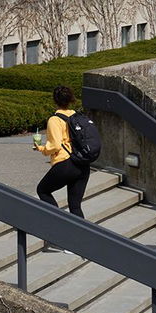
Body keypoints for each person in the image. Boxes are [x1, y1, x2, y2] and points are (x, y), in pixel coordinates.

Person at [34, 85, 91, 235]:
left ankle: (61, 228)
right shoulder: (78, 116)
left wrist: (41, 148)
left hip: (66, 164)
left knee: (43, 190)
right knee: (75, 206)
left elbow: (54, 145)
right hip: (83, 164)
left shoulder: (55, 119)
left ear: (55, 100)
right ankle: (81, 241)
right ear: (71, 99)